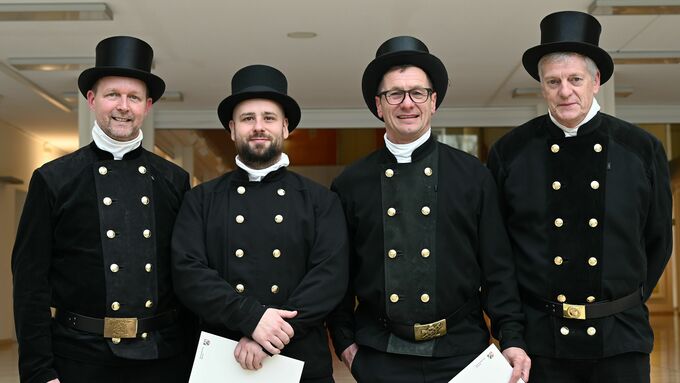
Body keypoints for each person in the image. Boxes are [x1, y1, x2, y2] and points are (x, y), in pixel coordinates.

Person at [327, 36, 530, 383]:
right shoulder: (350, 183)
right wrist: (345, 340)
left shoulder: (473, 176)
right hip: (380, 354)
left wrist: (511, 337)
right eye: (395, 94)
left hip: (462, 352)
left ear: (433, 101)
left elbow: (498, 269)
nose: (407, 103)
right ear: (379, 105)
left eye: (417, 92)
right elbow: (339, 274)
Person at [487, 11, 672, 383]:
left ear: (596, 80)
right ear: (541, 86)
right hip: (541, 343)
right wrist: (511, 333)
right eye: (553, 81)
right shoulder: (510, 152)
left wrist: (618, 302)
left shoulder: (641, 149)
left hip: (621, 340)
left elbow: (658, 243)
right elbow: (497, 254)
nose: (564, 91)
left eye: (575, 79)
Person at [12, 36, 194, 383]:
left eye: (134, 97)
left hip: (162, 358)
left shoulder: (174, 180)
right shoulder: (53, 179)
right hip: (78, 359)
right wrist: (38, 371)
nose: (123, 106)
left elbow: (187, 277)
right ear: (92, 100)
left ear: (147, 106)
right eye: (113, 95)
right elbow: (30, 283)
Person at [170, 64, 349, 383]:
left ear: (285, 128)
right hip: (224, 357)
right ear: (232, 129)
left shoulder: (321, 200)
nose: (258, 127)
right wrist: (251, 318)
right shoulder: (201, 199)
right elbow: (188, 273)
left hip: (300, 358)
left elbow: (330, 276)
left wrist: (272, 335)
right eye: (247, 118)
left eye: (268, 118)